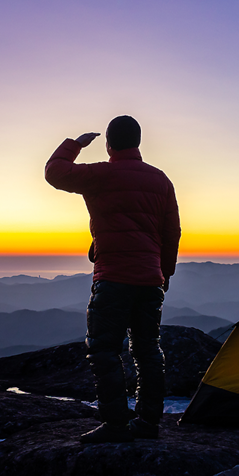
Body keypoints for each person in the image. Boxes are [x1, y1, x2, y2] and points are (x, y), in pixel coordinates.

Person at [44, 115, 181, 443]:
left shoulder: (100, 174)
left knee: (104, 350)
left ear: (109, 144)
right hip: (150, 279)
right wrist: (165, 272)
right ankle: (148, 422)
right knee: (147, 349)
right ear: (138, 142)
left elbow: (54, 172)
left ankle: (116, 424)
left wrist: (75, 144)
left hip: (114, 279)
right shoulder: (160, 180)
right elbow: (171, 231)